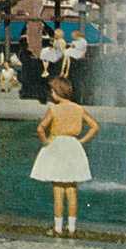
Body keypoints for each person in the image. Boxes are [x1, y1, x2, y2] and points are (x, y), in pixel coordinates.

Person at [30, 77, 99, 237]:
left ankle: (58, 228)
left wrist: (46, 142)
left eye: (52, 91)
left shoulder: (54, 109)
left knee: (58, 190)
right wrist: (82, 140)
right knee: (72, 190)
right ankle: (73, 228)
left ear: (56, 93)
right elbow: (95, 126)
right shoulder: (78, 108)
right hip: (73, 146)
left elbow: (40, 129)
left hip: (57, 145)